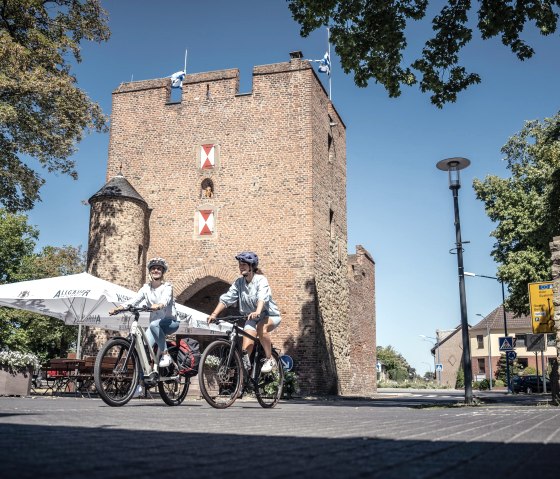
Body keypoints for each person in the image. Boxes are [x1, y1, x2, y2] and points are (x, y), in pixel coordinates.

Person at [207, 251, 281, 373]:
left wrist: (257, 311)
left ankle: (270, 359)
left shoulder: (261, 280)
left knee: (261, 328)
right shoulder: (239, 283)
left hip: (269, 315)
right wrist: (214, 314)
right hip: (251, 318)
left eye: (244, 265)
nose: (241, 267)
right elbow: (227, 298)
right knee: (245, 349)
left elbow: (262, 297)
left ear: (252, 266)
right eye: (240, 265)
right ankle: (244, 376)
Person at [110, 257, 179, 369]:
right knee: (141, 349)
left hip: (170, 322)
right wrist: (121, 307)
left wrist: (159, 305)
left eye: (159, 268)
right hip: (154, 326)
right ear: (150, 272)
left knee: (154, 324)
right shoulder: (146, 288)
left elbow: (165, 300)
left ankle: (166, 355)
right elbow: (135, 300)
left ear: (163, 272)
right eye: (153, 268)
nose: (156, 270)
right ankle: (141, 383)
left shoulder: (167, 287)